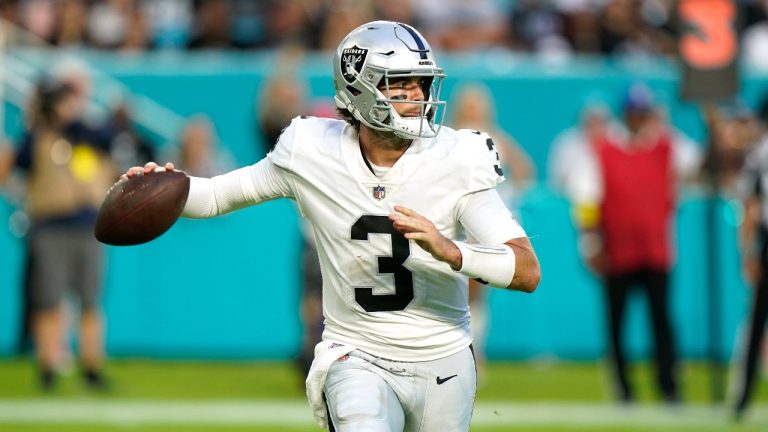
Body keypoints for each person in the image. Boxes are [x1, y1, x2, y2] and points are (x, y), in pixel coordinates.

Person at [126, 21, 540, 431]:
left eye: (421, 83)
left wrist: (454, 252)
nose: (417, 95)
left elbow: (526, 270)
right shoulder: (310, 149)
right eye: (401, 83)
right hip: (357, 352)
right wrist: (162, 186)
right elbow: (217, 195)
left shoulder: (457, 157)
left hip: (443, 358)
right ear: (360, 88)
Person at [572, 83, 700, 404]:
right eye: (635, 112)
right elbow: (587, 196)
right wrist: (589, 241)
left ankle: (668, 386)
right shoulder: (604, 149)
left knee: (661, 319)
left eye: (644, 112)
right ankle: (623, 387)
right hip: (617, 250)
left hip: (656, 249)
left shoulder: (667, 145)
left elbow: (698, 164)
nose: (640, 118)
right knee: (617, 322)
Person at [0, 78, 115, 390]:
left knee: (91, 300)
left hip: (90, 225)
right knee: (48, 299)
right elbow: (10, 168)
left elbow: (110, 139)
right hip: (49, 226)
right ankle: (47, 366)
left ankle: (92, 367)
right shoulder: (36, 137)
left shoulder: (89, 134)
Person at [450, 82, 536, 383]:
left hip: (480, 223)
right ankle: (463, 352)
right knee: (456, 289)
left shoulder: (493, 138)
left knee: (476, 291)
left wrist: (508, 196)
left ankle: (475, 352)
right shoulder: (450, 138)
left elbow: (525, 170)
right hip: (456, 222)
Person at [732, 97, 768, 421]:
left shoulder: (760, 155)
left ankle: (742, 399)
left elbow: (752, 208)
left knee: (756, 324)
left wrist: (748, 252)